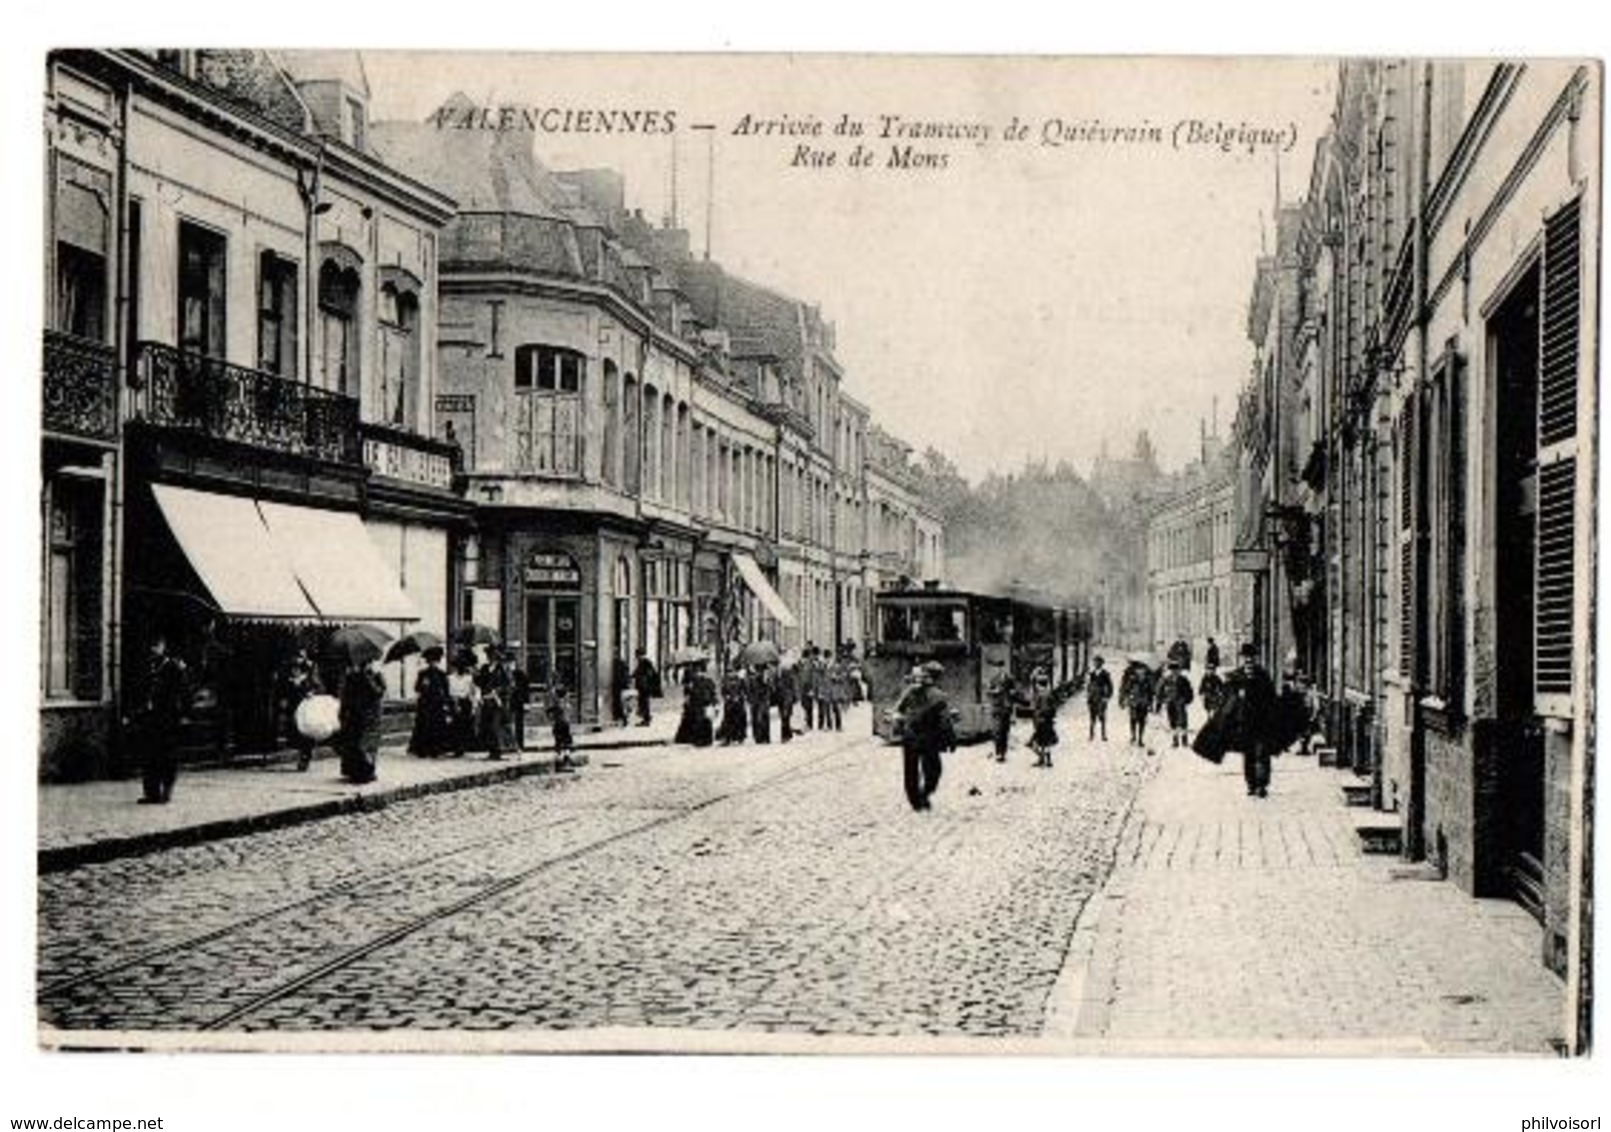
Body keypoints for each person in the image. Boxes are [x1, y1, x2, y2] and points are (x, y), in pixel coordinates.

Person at [131, 634, 189, 804]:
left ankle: (166, 791)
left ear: (164, 647)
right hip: (150, 719)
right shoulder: (148, 666)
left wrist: (182, 714)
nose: (153, 649)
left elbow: (182, 693)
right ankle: (151, 793)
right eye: (151, 646)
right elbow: (140, 690)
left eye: (156, 646)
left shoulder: (174, 667)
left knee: (167, 757)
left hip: (167, 719)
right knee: (149, 756)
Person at [894, 661, 955, 811]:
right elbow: (945, 721)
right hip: (929, 738)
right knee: (934, 770)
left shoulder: (909, 691)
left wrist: (900, 725)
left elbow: (898, 710)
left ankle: (915, 801)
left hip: (910, 736)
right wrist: (951, 740)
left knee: (910, 770)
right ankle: (924, 794)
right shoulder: (940, 696)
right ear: (938, 677)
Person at [1223, 642, 1278, 798]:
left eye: (1251, 657)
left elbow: (1271, 699)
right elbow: (1228, 699)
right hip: (1244, 723)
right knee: (1248, 755)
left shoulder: (1263, 675)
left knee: (1262, 754)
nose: (1249, 660)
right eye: (1246, 658)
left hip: (1261, 722)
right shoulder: (1236, 676)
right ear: (1243, 659)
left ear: (1256, 659)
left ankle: (1262, 785)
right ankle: (1251, 784)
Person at [337, 658, 386, 784]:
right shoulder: (352, 677)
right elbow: (346, 696)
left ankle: (368, 772)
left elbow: (378, 692)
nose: (366, 666)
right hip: (354, 715)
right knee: (353, 744)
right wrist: (342, 712)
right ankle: (354, 772)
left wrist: (369, 678)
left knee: (367, 745)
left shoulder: (376, 676)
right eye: (363, 663)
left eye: (369, 663)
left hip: (370, 716)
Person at [279, 648, 323, 770]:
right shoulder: (287, 668)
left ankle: (305, 757)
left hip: (306, 704)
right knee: (295, 729)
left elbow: (318, 685)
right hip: (293, 703)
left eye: (301, 656)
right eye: (296, 656)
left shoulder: (311, 667)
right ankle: (302, 753)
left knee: (306, 730)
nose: (298, 659)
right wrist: (284, 696)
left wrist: (312, 692)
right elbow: (282, 685)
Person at [407, 645, 451, 758]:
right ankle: (422, 749)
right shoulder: (423, 674)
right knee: (424, 726)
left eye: (435, 661)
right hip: (425, 704)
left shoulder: (441, 674)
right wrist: (423, 685)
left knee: (436, 727)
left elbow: (446, 690)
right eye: (431, 661)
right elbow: (416, 688)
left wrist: (446, 703)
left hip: (437, 704)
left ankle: (436, 749)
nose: (433, 664)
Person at [476, 648, 512, 759]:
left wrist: (498, 690)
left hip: (497, 702)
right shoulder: (484, 668)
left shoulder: (502, 670)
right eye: (489, 656)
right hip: (486, 701)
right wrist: (476, 676)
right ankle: (491, 750)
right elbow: (480, 682)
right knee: (486, 726)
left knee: (495, 726)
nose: (490, 658)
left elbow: (508, 685)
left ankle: (498, 750)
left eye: (492, 656)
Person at [676, 660, 717, 747]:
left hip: (699, 703)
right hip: (700, 703)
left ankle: (700, 739)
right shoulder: (701, 680)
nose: (698, 673)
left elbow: (689, 692)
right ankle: (703, 739)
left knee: (700, 720)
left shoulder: (696, 680)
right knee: (702, 720)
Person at [1155, 659, 1195, 748]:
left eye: (1176, 670)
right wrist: (1160, 703)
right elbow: (1159, 692)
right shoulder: (1165, 680)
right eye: (1173, 670)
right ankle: (1175, 740)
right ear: (1170, 670)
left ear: (1179, 671)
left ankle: (1185, 740)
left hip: (1180, 703)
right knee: (1172, 721)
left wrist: (1186, 700)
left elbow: (1190, 692)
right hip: (1170, 703)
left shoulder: (1184, 680)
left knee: (1183, 722)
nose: (1175, 672)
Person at [446, 651, 479, 758]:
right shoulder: (450, 678)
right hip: (454, 701)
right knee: (454, 725)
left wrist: (474, 705)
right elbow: (448, 691)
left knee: (464, 725)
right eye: (458, 666)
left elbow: (473, 692)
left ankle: (463, 747)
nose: (460, 668)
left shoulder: (469, 678)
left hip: (465, 703)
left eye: (462, 666)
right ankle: (455, 747)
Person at [1119, 660, 1156, 747]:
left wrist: (1151, 703)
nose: (1140, 670)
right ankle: (1133, 736)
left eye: (1142, 669)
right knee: (1133, 719)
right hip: (1134, 701)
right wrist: (1123, 699)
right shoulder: (1130, 676)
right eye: (1139, 669)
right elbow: (1125, 688)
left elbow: (1151, 691)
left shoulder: (1148, 677)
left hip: (1144, 701)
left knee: (1142, 720)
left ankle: (1140, 738)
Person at [986, 667, 1019, 763]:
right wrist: (994, 691)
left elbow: (1014, 692)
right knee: (997, 731)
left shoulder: (1010, 678)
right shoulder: (993, 679)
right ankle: (998, 753)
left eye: (1001, 666)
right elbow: (988, 692)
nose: (1000, 669)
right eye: (998, 667)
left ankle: (1003, 752)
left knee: (1005, 731)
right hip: (997, 708)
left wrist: (1012, 693)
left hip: (1007, 709)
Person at [1029, 668, 1059, 768]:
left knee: (1037, 742)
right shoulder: (1049, 693)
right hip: (1048, 721)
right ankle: (1047, 760)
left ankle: (1042, 759)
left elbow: (1041, 709)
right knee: (1045, 742)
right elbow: (1053, 708)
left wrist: (1039, 716)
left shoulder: (1041, 695)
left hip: (1041, 721)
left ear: (1038, 684)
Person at [546, 683, 577, 770]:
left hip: (558, 725)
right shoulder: (565, 703)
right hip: (565, 725)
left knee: (558, 743)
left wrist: (549, 715)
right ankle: (566, 761)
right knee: (567, 744)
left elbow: (550, 711)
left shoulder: (557, 704)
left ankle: (557, 761)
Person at [508, 649, 531, 751]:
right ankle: (510, 744)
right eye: (507, 662)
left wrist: (526, 703)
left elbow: (526, 690)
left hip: (518, 703)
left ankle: (520, 745)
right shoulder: (504, 674)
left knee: (519, 725)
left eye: (511, 662)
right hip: (507, 703)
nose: (509, 665)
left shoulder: (520, 674)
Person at [1085, 655, 1113, 742]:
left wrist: (1107, 696)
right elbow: (1088, 686)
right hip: (1092, 698)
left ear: (1101, 664)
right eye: (1095, 662)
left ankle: (1103, 734)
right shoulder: (1091, 674)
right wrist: (1088, 694)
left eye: (1098, 662)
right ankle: (1091, 734)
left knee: (1102, 717)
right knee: (1092, 717)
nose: (1096, 664)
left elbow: (1110, 686)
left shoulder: (1105, 674)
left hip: (1101, 698)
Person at [718, 668, 749, 745]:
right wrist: (727, 697)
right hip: (729, 704)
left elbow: (745, 690)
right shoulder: (725, 681)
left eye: (732, 671)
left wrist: (740, 696)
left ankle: (739, 737)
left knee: (739, 721)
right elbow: (723, 691)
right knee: (729, 721)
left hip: (738, 704)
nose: (731, 673)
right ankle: (728, 738)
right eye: (729, 672)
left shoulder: (740, 680)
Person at [747, 663, 774, 744]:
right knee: (758, 719)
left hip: (761, 701)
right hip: (757, 701)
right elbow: (749, 690)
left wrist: (767, 682)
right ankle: (761, 737)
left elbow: (771, 690)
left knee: (761, 718)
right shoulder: (752, 678)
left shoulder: (765, 679)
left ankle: (763, 737)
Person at [632, 649, 660, 726]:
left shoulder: (646, 662)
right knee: (642, 702)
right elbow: (637, 672)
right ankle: (646, 717)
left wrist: (643, 679)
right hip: (642, 686)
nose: (636, 657)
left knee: (644, 703)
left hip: (645, 686)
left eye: (637, 655)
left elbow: (649, 674)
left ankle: (646, 719)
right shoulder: (642, 662)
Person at [773, 660, 798, 742]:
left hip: (787, 696)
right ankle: (788, 733)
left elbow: (793, 684)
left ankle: (784, 736)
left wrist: (794, 696)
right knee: (783, 716)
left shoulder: (787, 672)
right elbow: (774, 686)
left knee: (786, 715)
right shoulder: (775, 674)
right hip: (779, 697)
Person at [821, 654, 846, 732]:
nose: (827, 661)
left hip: (835, 691)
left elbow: (843, 677)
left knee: (836, 709)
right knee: (827, 710)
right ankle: (829, 726)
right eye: (825, 659)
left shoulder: (836, 667)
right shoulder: (823, 668)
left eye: (828, 659)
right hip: (826, 690)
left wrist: (836, 677)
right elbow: (821, 680)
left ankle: (839, 726)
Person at [797, 645, 820, 731]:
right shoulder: (799, 664)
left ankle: (809, 724)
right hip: (802, 687)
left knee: (809, 706)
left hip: (808, 687)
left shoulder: (811, 665)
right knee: (803, 705)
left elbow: (813, 677)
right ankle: (806, 722)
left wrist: (812, 689)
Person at [609, 655, 631, 727]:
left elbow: (619, 678)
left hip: (618, 687)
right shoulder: (623, 666)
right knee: (622, 703)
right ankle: (623, 717)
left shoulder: (617, 665)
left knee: (620, 703)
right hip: (622, 687)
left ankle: (623, 718)